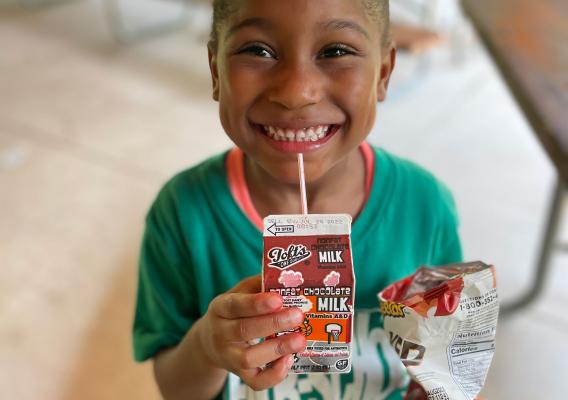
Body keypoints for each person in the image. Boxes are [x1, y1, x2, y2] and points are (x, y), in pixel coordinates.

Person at [132, 0, 462, 399]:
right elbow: (175, 388)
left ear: (384, 73)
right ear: (216, 70)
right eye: (258, 50)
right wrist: (207, 346)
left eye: (335, 51)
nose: (296, 92)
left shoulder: (425, 206)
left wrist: (443, 385)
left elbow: (449, 359)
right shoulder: (182, 212)